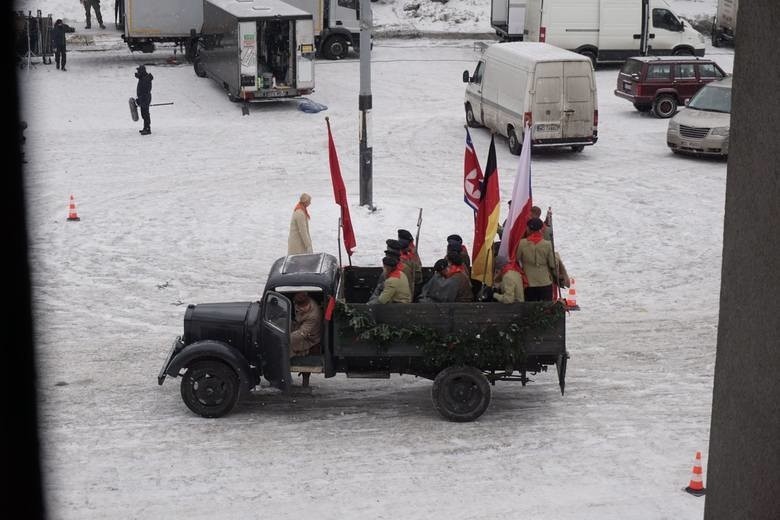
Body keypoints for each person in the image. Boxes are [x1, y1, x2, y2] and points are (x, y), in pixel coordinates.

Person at [516, 217, 557, 301]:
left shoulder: (522, 243)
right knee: (545, 309)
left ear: (528, 229)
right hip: (545, 282)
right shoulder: (547, 244)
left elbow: (516, 260)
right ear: (541, 229)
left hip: (528, 283)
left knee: (529, 310)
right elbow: (553, 264)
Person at [289, 292, 322, 358]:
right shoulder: (298, 302)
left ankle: (302, 354)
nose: (301, 309)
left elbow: (302, 333)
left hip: (309, 338)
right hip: (299, 325)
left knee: (287, 347)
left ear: (308, 302)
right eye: (299, 307)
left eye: (304, 307)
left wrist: (284, 338)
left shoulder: (313, 315)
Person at [134, 65, 153, 135]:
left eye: (138, 71)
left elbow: (144, 91)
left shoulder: (145, 79)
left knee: (145, 114)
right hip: (143, 98)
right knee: (144, 114)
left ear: (142, 71)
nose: (137, 72)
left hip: (145, 98)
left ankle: (147, 129)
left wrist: (140, 100)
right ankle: (145, 127)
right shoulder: (143, 78)